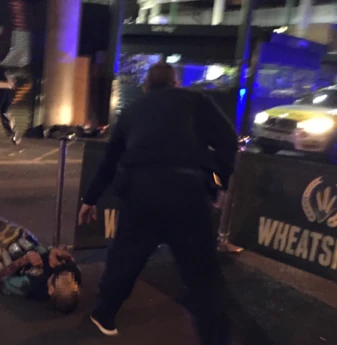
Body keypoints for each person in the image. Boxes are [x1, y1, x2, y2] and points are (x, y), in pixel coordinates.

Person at [78, 61, 237, 345]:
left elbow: (110, 161)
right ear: (176, 83)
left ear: (145, 86)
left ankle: (105, 315)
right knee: (203, 274)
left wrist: (90, 199)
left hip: (142, 194)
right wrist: (217, 180)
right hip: (188, 193)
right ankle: (217, 339)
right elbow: (228, 141)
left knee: (125, 259)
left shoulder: (132, 110)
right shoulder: (196, 100)